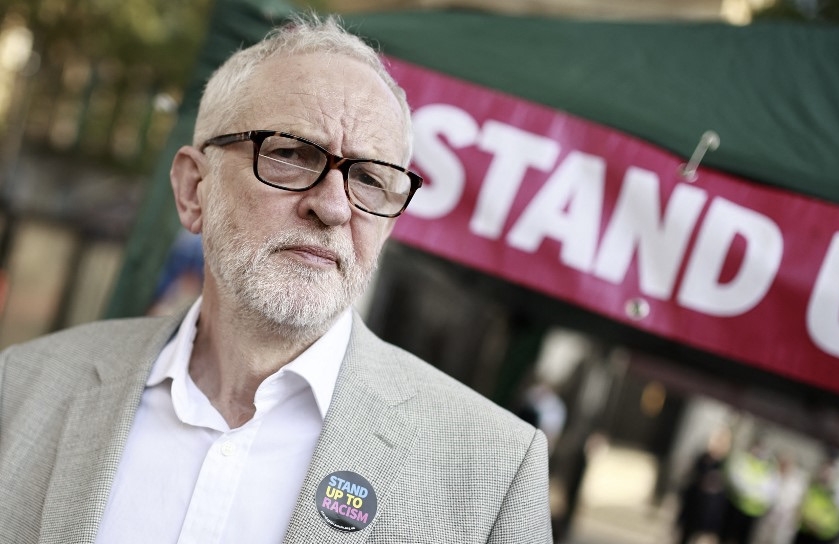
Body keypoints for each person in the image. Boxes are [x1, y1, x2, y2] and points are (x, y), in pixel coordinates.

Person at [0, 14, 552, 543]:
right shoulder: (23, 388)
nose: (334, 207)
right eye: (290, 154)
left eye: (370, 179)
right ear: (194, 190)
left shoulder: (491, 468)